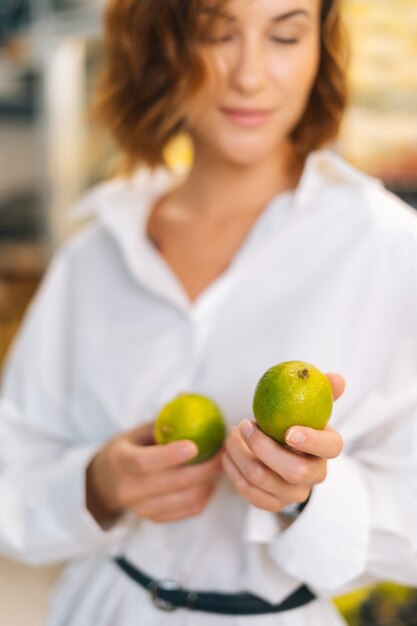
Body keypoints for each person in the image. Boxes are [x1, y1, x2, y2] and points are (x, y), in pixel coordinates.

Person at [1, 0, 417, 624]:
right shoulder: (96, 250)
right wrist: (98, 484)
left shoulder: (388, 246)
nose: (250, 74)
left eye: (285, 35)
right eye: (217, 33)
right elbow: (13, 470)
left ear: (319, 53)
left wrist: (308, 496)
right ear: (160, 48)